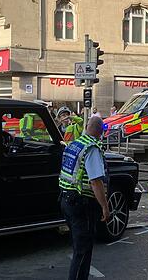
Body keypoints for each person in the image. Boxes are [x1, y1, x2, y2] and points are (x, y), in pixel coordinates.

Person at [58, 116, 110, 280]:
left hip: (66, 199)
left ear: (87, 127)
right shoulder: (91, 148)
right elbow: (95, 181)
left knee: (78, 246)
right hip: (82, 203)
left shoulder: (74, 144)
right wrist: (105, 206)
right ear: (101, 132)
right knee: (83, 250)